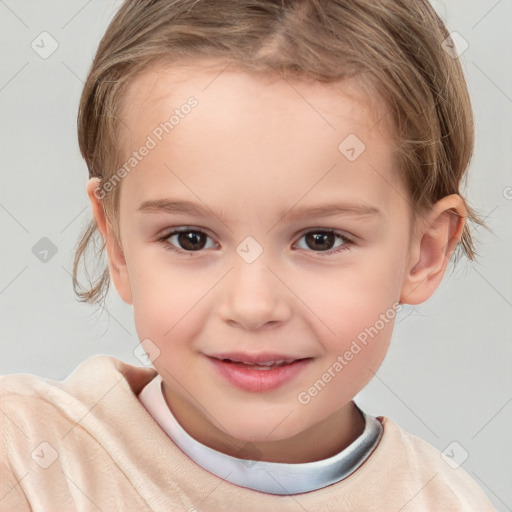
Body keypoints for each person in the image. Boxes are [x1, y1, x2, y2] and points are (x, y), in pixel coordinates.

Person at [0, 0, 497, 510]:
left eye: (320, 239)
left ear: (424, 253)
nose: (253, 306)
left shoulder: (443, 502)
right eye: (190, 238)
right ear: (117, 245)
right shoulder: (24, 460)